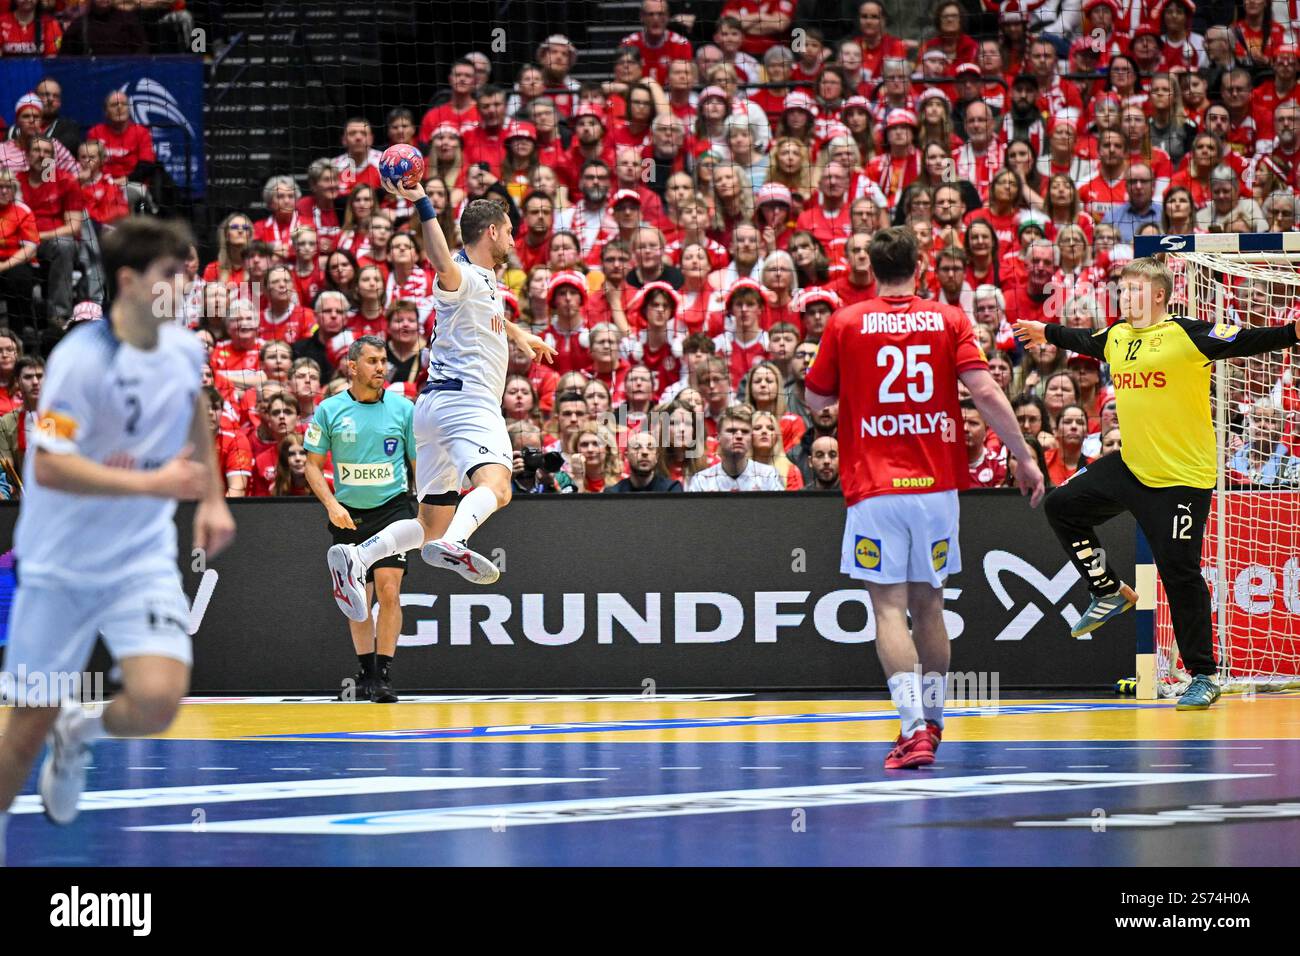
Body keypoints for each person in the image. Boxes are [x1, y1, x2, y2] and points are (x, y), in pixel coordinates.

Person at [0, 218, 236, 866]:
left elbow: (191, 408)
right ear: (130, 282)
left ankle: (84, 729)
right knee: (23, 733)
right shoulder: (81, 360)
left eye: (188, 274)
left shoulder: (184, 348)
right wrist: (155, 482)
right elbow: (48, 464)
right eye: (171, 276)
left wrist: (211, 497)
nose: (185, 286)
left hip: (140, 558)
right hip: (59, 567)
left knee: (159, 698)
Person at [804, 226, 1044, 769]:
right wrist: (1024, 456)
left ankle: (912, 729)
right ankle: (934, 721)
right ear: (922, 263)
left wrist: (845, 383)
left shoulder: (845, 320)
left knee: (887, 608)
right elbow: (984, 390)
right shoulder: (949, 318)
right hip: (936, 486)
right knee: (929, 603)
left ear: (871, 265)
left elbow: (816, 396)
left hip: (874, 486)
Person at [1014, 256, 1300, 710]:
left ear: (1160, 296)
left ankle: (1204, 675)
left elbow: (1246, 340)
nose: (1125, 297)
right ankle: (1108, 590)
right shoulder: (1117, 337)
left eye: (1134, 291)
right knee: (1061, 506)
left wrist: (1291, 334)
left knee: (1179, 573)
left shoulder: (1187, 334)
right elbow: (1083, 340)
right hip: (1132, 466)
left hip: (1182, 480)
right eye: (1122, 291)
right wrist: (1044, 330)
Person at [325, 179, 557, 614]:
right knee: (498, 486)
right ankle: (458, 541)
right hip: (466, 404)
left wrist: (518, 333)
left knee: (429, 525)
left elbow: (482, 313)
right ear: (491, 232)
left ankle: (357, 558)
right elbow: (441, 262)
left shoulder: (483, 279)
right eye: (508, 231)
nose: (512, 238)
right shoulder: (462, 273)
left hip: (432, 410)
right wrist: (423, 203)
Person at [303, 335, 415, 702]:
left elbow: (418, 464)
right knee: (358, 598)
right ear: (352, 367)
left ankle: (383, 676)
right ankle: (364, 674)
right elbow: (312, 466)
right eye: (372, 361)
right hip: (348, 515)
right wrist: (332, 505)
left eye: (383, 360)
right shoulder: (329, 410)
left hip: (393, 508)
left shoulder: (403, 409)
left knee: (389, 590)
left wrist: (427, 507)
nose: (381, 367)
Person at [686, 404, 784, 491]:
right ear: (718, 437)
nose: (739, 436)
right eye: (732, 431)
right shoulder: (702, 480)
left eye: (745, 431)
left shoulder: (768, 476)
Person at [606, 429, 683, 492]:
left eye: (650, 448)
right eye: (637, 447)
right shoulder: (614, 494)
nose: (645, 452)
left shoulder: (671, 490)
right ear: (627, 456)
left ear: (656, 457)